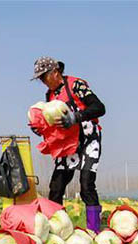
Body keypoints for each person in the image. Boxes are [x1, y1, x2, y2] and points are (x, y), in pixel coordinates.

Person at [30, 56, 106, 232]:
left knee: (86, 184)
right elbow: (54, 122)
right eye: (39, 78)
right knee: (56, 186)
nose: (42, 81)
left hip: (87, 138)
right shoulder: (50, 95)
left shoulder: (75, 85)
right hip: (67, 142)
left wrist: (76, 117)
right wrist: (41, 128)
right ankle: (55, 229)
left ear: (55, 72)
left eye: (44, 76)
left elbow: (99, 107)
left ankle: (94, 229)